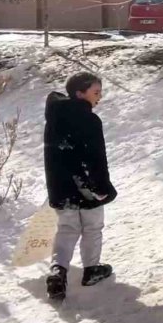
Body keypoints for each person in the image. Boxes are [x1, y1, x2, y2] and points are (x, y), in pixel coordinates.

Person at [43, 72, 117, 300]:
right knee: (92, 227)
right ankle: (91, 269)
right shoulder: (89, 120)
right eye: (96, 92)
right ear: (79, 93)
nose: (99, 97)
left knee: (66, 229)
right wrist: (102, 188)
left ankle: (58, 271)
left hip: (60, 186)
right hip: (86, 186)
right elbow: (96, 158)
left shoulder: (54, 117)